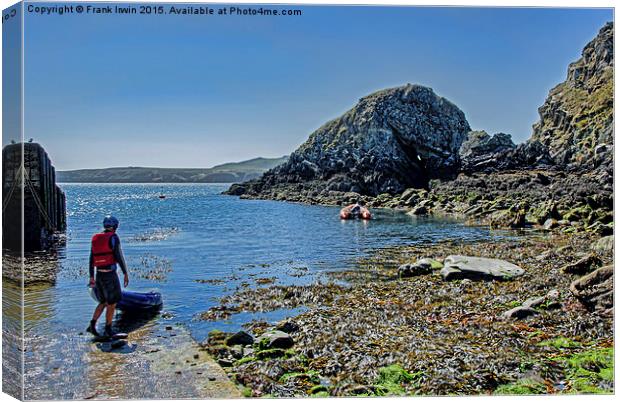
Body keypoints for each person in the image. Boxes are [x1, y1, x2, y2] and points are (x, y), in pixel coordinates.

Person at [86, 215, 129, 338]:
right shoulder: (113, 238)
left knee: (103, 301)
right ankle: (108, 329)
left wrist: (91, 276)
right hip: (110, 275)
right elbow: (118, 256)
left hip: (99, 274)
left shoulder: (95, 238)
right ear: (115, 226)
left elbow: (91, 259)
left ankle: (92, 325)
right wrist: (125, 273)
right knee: (112, 303)